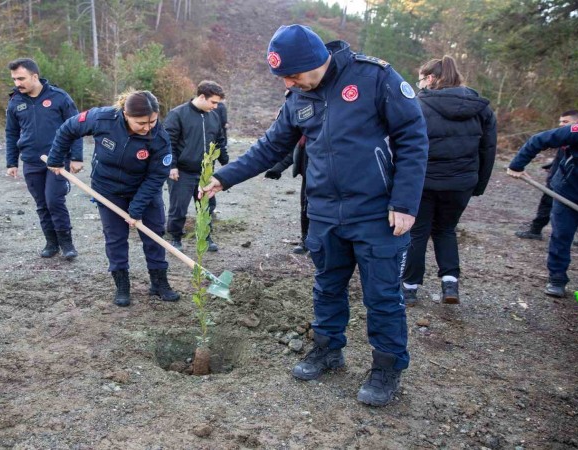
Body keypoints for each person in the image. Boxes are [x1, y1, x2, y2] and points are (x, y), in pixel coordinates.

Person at [199, 25, 428, 406]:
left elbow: (413, 136)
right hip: (323, 212)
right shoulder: (297, 97)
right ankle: (327, 349)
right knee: (327, 287)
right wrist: (224, 178)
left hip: (377, 213)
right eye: (282, 77)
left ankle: (387, 368)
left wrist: (404, 203)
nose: (288, 83)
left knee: (383, 296)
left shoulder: (374, 77)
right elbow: (271, 145)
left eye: (292, 75)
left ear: (315, 61)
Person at [46, 90, 180, 307]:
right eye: (141, 123)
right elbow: (68, 128)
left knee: (154, 235)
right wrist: (56, 157)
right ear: (125, 114)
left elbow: (157, 176)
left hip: (144, 190)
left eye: (152, 121)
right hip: (108, 190)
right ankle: (122, 286)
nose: (148, 127)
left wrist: (136, 208)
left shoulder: (160, 137)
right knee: (115, 238)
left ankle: (159, 283)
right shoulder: (102, 118)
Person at [400, 56, 497, 306]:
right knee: (445, 230)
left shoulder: (417, 105)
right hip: (461, 183)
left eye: (420, 78)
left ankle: (409, 288)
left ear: (431, 78)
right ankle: (449, 284)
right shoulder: (481, 107)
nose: (418, 83)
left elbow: (404, 147)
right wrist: (479, 184)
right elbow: (488, 148)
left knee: (417, 232)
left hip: (424, 182)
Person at [6, 58, 80, 260]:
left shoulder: (59, 97)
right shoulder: (15, 101)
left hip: (57, 160)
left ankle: (67, 244)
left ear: (35, 76)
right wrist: (11, 162)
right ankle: (51, 243)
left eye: (21, 78)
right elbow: (11, 133)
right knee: (42, 204)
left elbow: (75, 127)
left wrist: (77, 156)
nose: (17, 83)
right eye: (14, 79)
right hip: (31, 160)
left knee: (54, 200)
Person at [507, 122, 578, 298]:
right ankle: (557, 278)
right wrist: (517, 165)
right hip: (569, 191)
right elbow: (539, 139)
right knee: (562, 234)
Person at [165, 80, 229, 252]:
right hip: (182, 172)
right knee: (178, 207)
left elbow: (219, 140)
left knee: (207, 206)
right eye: (213, 102)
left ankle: (206, 237)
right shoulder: (177, 114)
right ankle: (175, 238)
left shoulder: (213, 116)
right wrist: (172, 166)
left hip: (205, 173)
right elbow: (168, 142)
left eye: (217, 103)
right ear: (202, 96)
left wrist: (225, 160)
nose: (216, 107)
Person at [514, 110, 578, 244]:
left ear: (577, 121)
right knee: (551, 205)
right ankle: (536, 229)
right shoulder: (567, 135)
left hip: (574, 183)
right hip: (562, 183)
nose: (561, 124)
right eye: (560, 122)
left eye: (565, 122)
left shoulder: (575, 134)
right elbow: (543, 142)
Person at [265, 135, 309, 254]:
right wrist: (277, 168)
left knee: (319, 211)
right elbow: (293, 151)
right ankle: (306, 240)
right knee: (305, 208)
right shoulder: (304, 132)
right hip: (307, 175)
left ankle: (321, 244)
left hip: (323, 178)